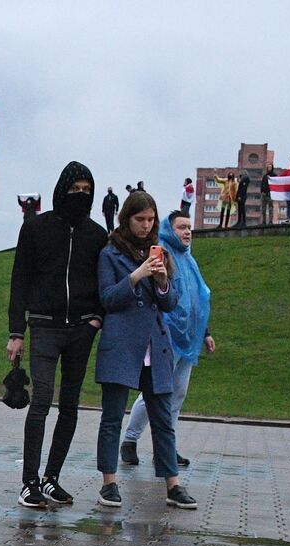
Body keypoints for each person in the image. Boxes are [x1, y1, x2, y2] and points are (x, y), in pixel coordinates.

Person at [7, 161, 108, 507]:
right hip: (45, 324)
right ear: (61, 189)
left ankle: (52, 477)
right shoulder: (36, 228)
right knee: (42, 397)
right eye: (74, 189)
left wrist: (97, 319)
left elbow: (104, 282)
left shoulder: (96, 235)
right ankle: (29, 481)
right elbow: (19, 279)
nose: (80, 196)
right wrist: (16, 331)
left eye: (86, 191)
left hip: (81, 328)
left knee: (69, 404)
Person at [94, 190, 197, 511]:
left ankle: (173, 484)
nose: (146, 225)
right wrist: (137, 276)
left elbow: (169, 301)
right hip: (122, 345)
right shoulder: (110, 254)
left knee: (163, 418)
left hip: (156, 346)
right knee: (112, 417)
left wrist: (163, 279)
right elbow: (108, 298)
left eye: (151, 220)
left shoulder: (160, 253)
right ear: (127, 218)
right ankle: (109, 483)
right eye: (140, 219)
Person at [120, 210, 214, 469]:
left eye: (189, 228)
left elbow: (198, 298)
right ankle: (129, 439)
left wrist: (205, 333)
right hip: (166, 336)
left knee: (178, 392)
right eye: (181, 227)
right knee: (155, 391)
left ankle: (166, 447)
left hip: (189, 338)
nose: (187, 232)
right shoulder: (162, 254)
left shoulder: (189, 260)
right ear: (169, 230)